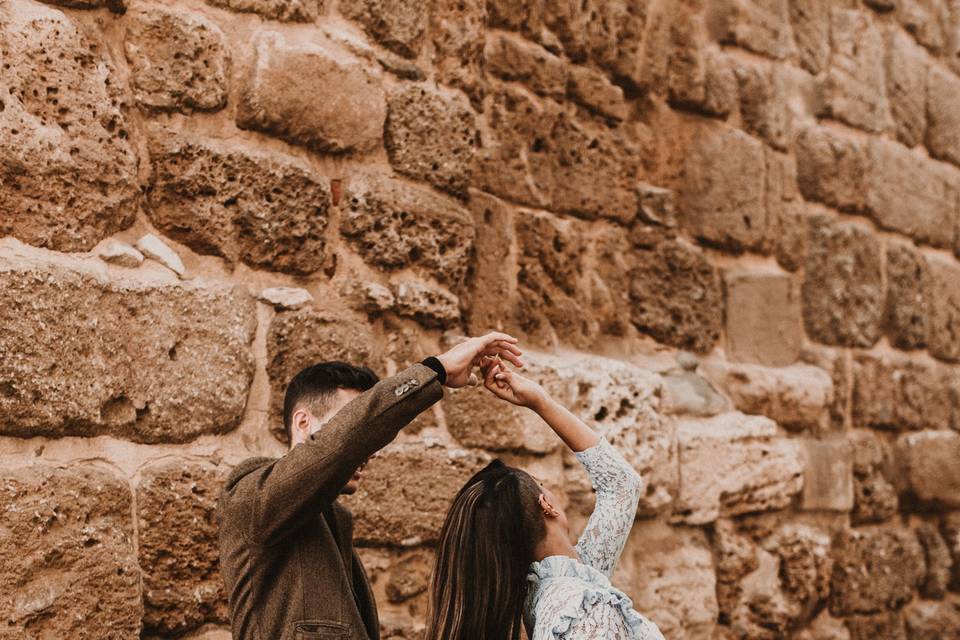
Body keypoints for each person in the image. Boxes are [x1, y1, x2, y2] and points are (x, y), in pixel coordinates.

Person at [218, 332, 524, 640]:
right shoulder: (250, 495)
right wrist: (436, 369)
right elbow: (340, 444)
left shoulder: (333, 518)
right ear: (302, 422)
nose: (369, 449)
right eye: (352, 423)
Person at [425, 358, 666, 640]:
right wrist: (540, 402)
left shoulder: (570, 581)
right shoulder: (583, 610)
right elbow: (619, 483)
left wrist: (540, 401)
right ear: (546, 505)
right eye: (543, 485)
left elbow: (622, 484)